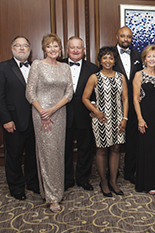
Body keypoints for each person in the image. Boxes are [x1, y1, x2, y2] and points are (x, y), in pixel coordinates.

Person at [26, 33, 73, 212]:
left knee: (58, 152)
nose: (53, 49)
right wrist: (43, 112)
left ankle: (55, 190)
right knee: (47, 153)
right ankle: (52, 197)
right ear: (44, 49)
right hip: (41, 113)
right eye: (49, 46)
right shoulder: (37, 65)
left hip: (59, 112)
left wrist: (53, 109)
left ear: (60, 49)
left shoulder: (65, 67)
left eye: (56, 46)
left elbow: (69, 92)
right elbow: (30, 92)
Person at [0, 36, 39, 200]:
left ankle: (32, 183)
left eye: (25, 46)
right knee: (14, 156)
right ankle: (16, 187)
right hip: (14, 120)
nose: (21, 48)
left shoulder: (36, 67)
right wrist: (6, 120)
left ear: (29, 49)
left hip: (35, 120)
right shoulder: (1, 68)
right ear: (12, 49)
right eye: (17, 46)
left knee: (33, 155)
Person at [82, 46, 129, 197]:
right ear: (100, 60)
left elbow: (125, 99)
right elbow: (85, 98)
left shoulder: (120, 77)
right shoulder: (94, 77)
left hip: (118, 119)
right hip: (101, 119)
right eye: (105, 58)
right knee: (102, 150)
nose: (108, 61)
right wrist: (96, 112)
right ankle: (103, 181)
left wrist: (125, 118)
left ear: (115, 60)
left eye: (111, 58)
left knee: (116, 149)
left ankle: (113, 181)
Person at [60, 36, 99, 191]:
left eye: (79, 48)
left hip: (85, 114)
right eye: (72, 47)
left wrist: (94, 108)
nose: (75, 50)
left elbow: (96, 93)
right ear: (67, 50)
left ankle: (83, 178)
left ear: (84, 51)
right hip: (62, 114)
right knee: (64, 149)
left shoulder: (92, 68)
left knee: (86, 148)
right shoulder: (58, 65)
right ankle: (66, 179)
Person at [133, 45, 155, 195]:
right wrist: (140, 118)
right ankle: (146, 182)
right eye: (149, 56)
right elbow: (135, 99)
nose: (152, 59)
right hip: (144, 115)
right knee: (146, 149)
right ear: (144, 59)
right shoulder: (139, 75)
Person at [113, 26, 143, 184]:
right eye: (123, 36)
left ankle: (129, 172)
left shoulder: (138, 55)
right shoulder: (109, 54)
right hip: (113, 105)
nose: (126, 39)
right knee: (114, 141)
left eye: (129, 37)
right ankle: (112, 172)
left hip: (133, 104)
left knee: (132, 141)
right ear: (117, 36)